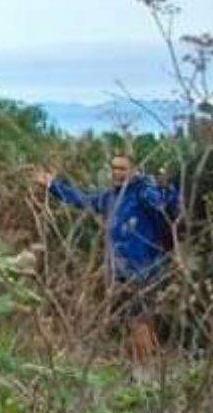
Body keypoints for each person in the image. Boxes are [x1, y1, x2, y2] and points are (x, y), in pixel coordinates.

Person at [34, 153, 181, 366]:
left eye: (122, 168)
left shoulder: (144, 193)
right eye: (114, 168)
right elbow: (82, 199)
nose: (117, 173)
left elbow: (168, 209)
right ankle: (154, 370)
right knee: (139, 321)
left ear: (135, 170)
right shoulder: (109, 197)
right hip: (121, 270)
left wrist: (168, 187)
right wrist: (52, 185)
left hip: (144, 269)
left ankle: (145, 373)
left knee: (137, 320)